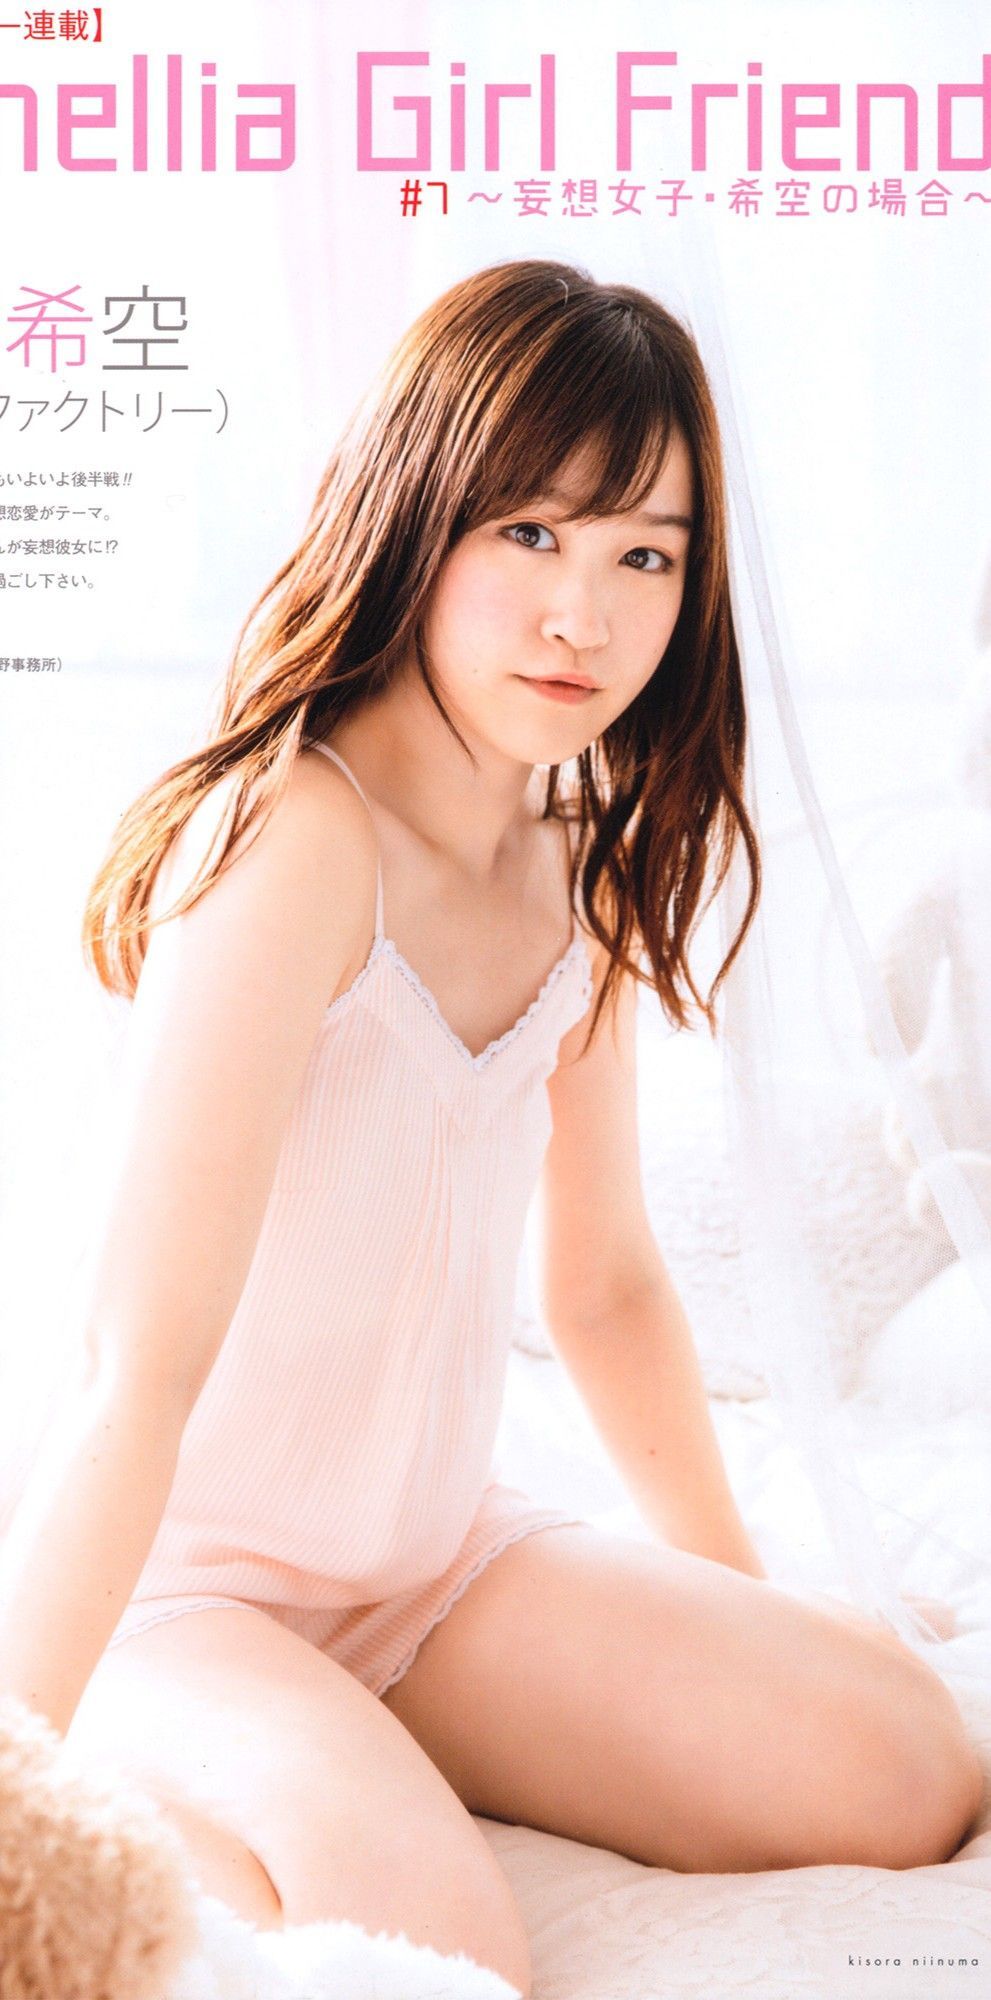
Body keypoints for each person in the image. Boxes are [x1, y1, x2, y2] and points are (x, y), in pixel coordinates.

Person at [0, 260, 981, 1999]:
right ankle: (232, 1773)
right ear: (418, 518)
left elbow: (601, 1287)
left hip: (436, 1566)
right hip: (184, 1588)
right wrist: (21, 1761)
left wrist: (737, 1601)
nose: (581, 619)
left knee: (906, 1769)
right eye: (530, 535)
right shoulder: (293, 840)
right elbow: (129, 1369)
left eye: (644, 557)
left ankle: (351, 1747)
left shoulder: (572, 861)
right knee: (434, 1953)